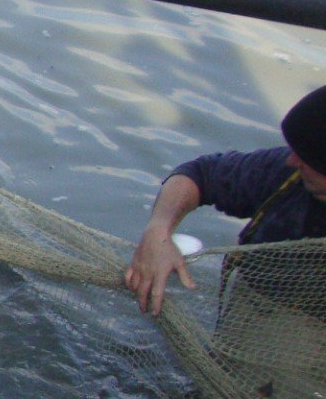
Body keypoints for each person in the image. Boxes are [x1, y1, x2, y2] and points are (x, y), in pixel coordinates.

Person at [124, 85, 326, 315]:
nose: (292, 161)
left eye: (306, 157)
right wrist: (157, 233)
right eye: (294, 149)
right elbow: (201, 174)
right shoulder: (286, 174)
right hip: (251, 312)